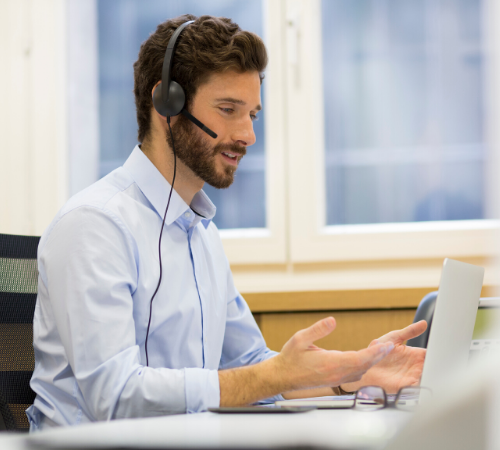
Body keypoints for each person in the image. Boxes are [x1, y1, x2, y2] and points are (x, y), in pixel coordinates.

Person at [27, 14, 426, 430]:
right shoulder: (94, 226)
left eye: (252, 114)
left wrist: (354, 376)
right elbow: (115, 396)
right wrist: (270, 376)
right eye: (228, 109)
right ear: (168, 104)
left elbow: (252, 367)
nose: (248, 134)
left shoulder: (200, 232)